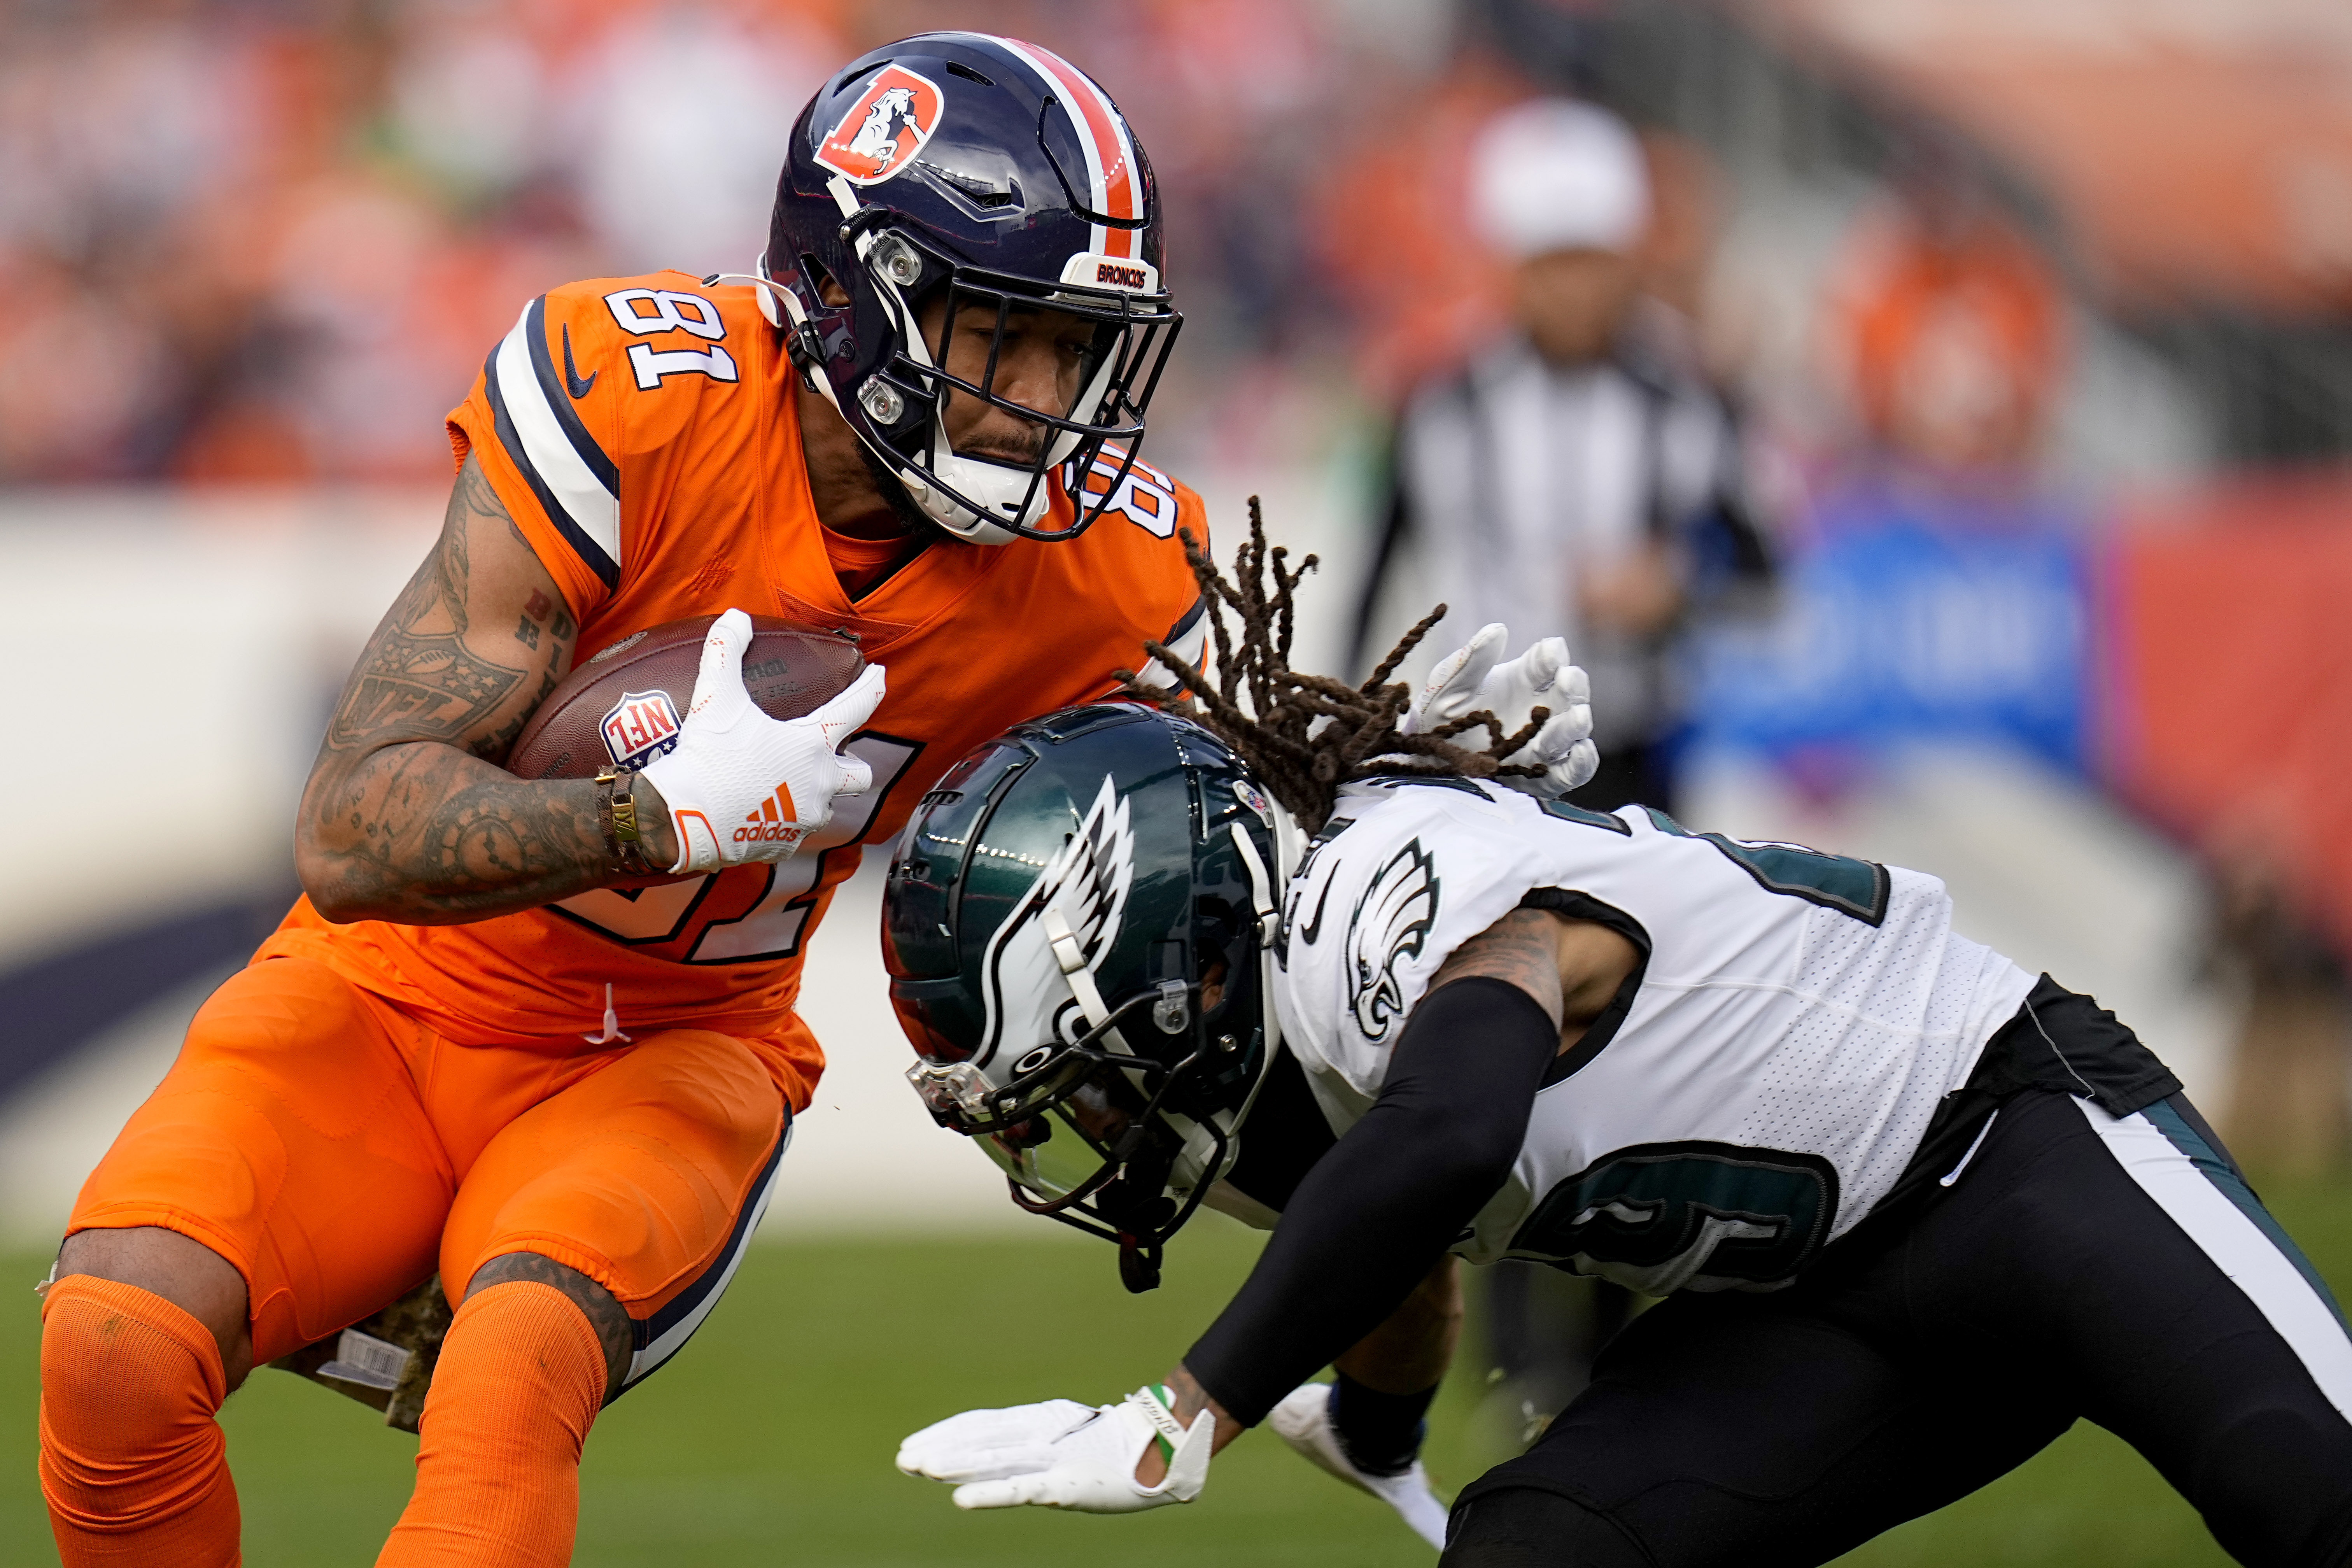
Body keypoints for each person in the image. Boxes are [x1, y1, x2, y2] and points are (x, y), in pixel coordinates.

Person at [37, 33, 1217, 1568]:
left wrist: (1425, 791)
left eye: (1082, 350)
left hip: (678, 1050)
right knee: (112, 1348)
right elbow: (351, 827)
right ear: (857, 299)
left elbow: (1250, 827)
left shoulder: (1103, 565)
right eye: (1006, 338)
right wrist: (646, 817)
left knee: (513, 1373)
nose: (1049, 403)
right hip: (392, 1000)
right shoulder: (640, 402)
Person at [886, 532, 2352, 1566]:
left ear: (1175, 961)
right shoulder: (1275, 1056)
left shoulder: (1363, 891)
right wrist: (1387, 1422)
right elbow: (1397, 1221)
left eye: (1082, 1074)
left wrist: (1187, 1409)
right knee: (1540, 1546)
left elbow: (1448, 1130)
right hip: (1823, 1305)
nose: (1091, 1122)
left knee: (2317, 1496)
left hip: (2009, 1140)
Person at [1351, 96, 1770, 817]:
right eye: (1552, 264)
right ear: (1509, 267)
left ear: (1629, 260)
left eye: (1592, 263)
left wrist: (1676, 586)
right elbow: (1376, 574)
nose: (1574, 290)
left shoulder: (1689, 400)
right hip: (1475, 749)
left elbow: (1765, 574)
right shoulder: (1440, 403)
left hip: (1639, 756)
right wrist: (1352, 724)